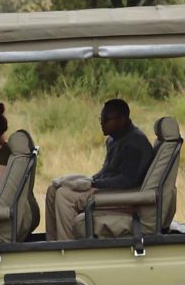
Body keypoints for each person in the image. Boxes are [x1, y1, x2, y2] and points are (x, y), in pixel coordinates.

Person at [45, 97, 154, 240]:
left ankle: (66, 247)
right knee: (53, 190)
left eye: (106, 119)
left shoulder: (135, 143)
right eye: (100, 118)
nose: (102, 123)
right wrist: (90, 180)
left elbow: (127, 181)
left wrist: (94, 184)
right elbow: (106, 172)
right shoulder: (113, 139)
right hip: (109, 189)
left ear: (122, 119)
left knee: (64, 196)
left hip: (123, 195)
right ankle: (52, 244)